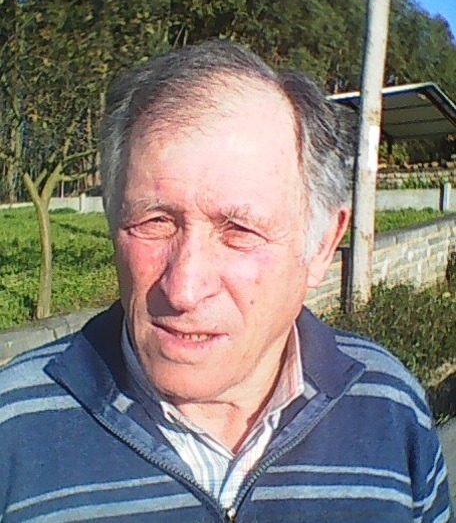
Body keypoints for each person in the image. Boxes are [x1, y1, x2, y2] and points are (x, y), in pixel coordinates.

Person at [0, 40, 452, 523]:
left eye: (239, 231)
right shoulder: (13, 428)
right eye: (155, 221)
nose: (183, 289)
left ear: (322, 245)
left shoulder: (390, 409)